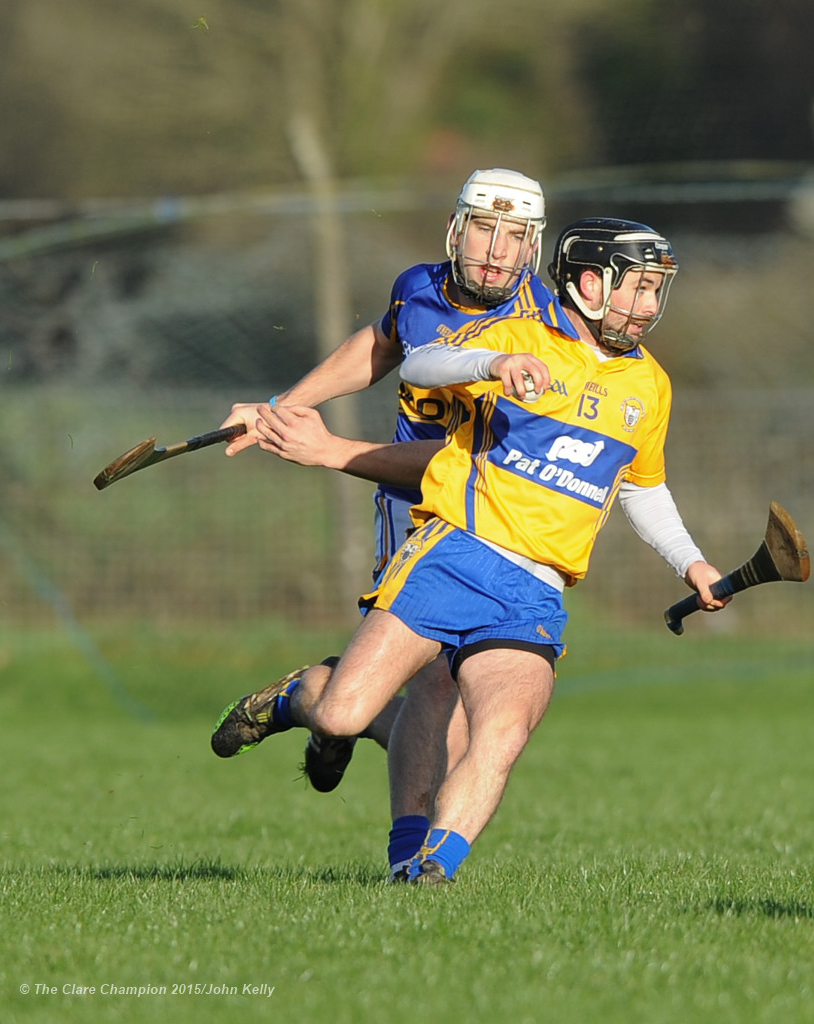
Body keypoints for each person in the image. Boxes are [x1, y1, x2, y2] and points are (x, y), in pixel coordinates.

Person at [211, 217, 730, 884]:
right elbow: (422, 360)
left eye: (659, 292)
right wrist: (493, 363)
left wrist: (691, 562)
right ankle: (300, 695)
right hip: (451, 554)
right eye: (639, 289)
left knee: (500, 734)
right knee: (342, 714)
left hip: (533, 591)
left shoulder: (649, 386)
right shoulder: (519, 336)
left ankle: (427, 874)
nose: (650, 308)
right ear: (591, 283)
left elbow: (643, 487)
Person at [212, 169, 554, 881]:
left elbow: (478, 457)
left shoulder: (549, 325)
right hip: (413, 509)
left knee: (445, 712)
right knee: (432, 693)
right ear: (457, 229)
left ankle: (327, 721)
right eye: (484, 229)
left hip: (488, 515)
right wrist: (277, 406)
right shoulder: (423, 289)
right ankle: (321, 712)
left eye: (514, 236)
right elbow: (381, 346)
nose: (495, 250)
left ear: (534, 248)